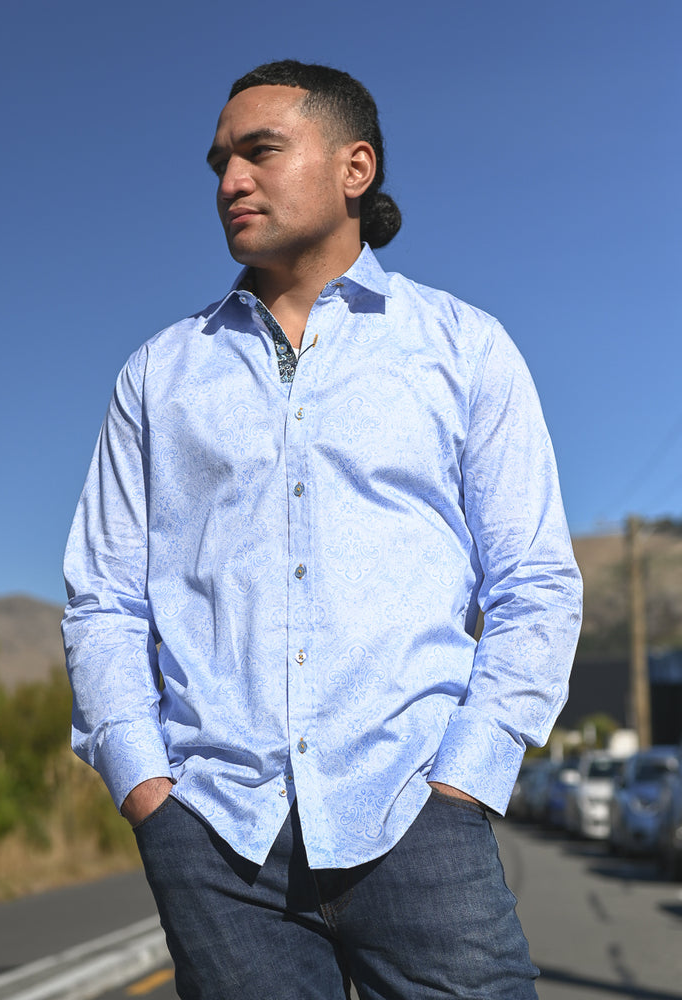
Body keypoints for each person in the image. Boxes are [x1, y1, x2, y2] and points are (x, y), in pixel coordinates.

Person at [62, 60, 582, 999]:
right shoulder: (158, 375)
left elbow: (534, 582)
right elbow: (102, 599)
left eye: (260, 151)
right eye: (220, 161)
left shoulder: (463, 347)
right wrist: (148, 793)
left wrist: (465, 780)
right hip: (218, 839)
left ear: (355, 168)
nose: (230, 181)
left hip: (413, 815)